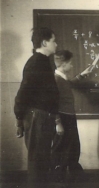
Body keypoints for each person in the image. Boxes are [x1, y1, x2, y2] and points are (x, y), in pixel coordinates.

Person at [14, 27, 63, 185]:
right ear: (44, 42)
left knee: (41, 161)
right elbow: (23, 93)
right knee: (37, 162)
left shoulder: (43, 62)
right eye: (53, 41)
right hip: (38, 117)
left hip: (42, 117)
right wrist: (19, 119)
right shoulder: (36, 62)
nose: (56, 44)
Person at [51, 50, 91, 183]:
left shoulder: (62, 77)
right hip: (63, 118)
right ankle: (59, 179)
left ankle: (74, 175)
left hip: (69, 117)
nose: (72, 66)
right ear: (64, 64)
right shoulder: (56, 80)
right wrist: (58, 123)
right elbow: (52, 103)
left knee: (73, 146)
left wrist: (82, 75)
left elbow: (69, 85)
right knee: (62, 148)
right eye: (71, 63)